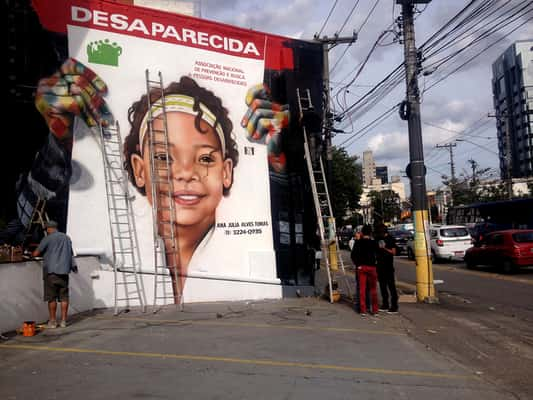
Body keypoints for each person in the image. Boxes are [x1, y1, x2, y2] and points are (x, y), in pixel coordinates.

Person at [32, 220, 77, 328]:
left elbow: (36, 253)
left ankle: (52, 321)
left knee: (52, 298)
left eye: (46, 229)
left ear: (49, 228)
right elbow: (70, 254)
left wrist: (32, 253)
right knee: (64, 297)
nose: (46, 231)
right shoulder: (67, 238)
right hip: (64, 272)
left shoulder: (48, 238)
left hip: (51, 272)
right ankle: (63, 321)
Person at [350, 224, 379, 315]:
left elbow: (353, 255)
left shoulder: (358, 242)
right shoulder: (374, 243)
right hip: (372, 267)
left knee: (362, 289)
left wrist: (358, 264)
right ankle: (375, 310)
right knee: (373, 290)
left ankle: (363, 310)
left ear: (362, 232)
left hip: (361, 267)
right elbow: (378, 254)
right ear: (370, 233)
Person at [375, 224, 399, 313]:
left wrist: (384, 248)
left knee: (391, 286)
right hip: (379, 265)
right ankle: (385, 304)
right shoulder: (377, 239)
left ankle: (394, 306)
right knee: (382, 286)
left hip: (388, 266)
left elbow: (393, 252)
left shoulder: (390, 239)